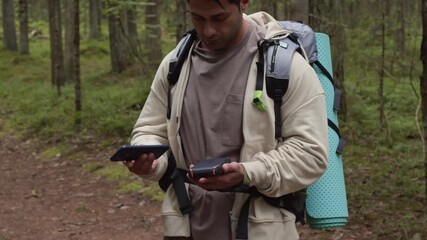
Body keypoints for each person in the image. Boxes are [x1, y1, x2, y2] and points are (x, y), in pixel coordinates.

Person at [124, 0, 328, 239]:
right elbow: (150, 129)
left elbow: (311, 153)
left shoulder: (286, 66)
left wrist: (248, 173)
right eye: (198, 18)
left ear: (243, 3)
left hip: (259, 228)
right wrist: (149, 160)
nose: (208, 30)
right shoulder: (175, 64)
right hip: (184, 225)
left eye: (219, 18)